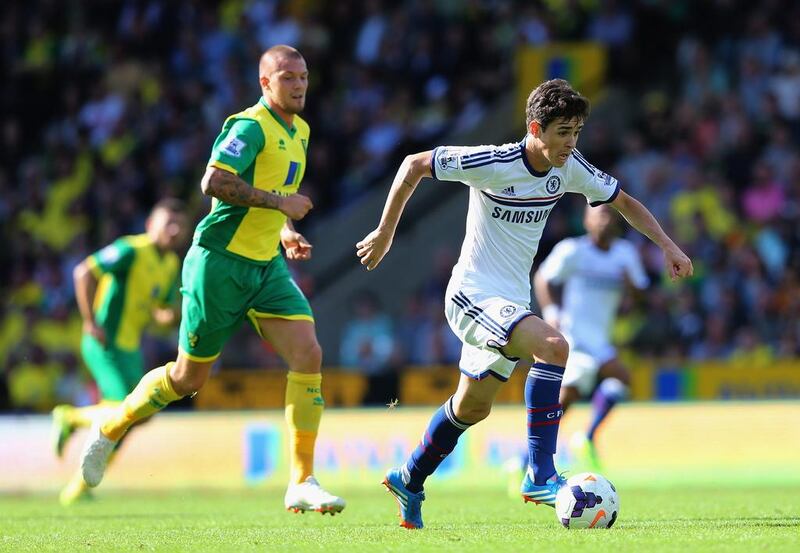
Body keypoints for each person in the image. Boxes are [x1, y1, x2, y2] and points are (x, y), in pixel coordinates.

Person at [356, 79, 692, 529]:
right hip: (472, 295)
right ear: (536, 128)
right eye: (562, 132)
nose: (571, 143)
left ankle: (409, 476)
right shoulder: (493, 162)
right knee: (554, 346)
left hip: (510, 301)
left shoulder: (568, 167)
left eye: (576, 132)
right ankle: (540, 473)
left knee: (472, 407)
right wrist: (385, 232)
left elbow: (625, 202)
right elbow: (414, 163)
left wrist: (668, 245)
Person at [79, 45, 345, 515]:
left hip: (265, 266)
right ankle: (113, 427)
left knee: (308, 352)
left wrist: (284, 231)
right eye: (288, 77)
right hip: (218, 264)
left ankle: (302, 480)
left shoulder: (299, 130)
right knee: (187, 377)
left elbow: (274, 192)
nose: (300, 85)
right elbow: (214, 181)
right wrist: (281, 205)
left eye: (304, 76)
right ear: (265, 83)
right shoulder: (248, 126)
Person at [51, 199, 189, 505]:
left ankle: (81, 485)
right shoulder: (130, 250)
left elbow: (160, 309)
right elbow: (83, 272)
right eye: (168, 223)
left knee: (138, 417)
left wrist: (168, 316)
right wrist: (89, 322)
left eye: (179, 225)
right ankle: (71, 418)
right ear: (150, 224)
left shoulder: (169, 265)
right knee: (121, 411)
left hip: (130, 348)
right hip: (106, 341)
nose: (174, 230)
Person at [534, 204, 649, 470]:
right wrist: (552, 312)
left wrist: (631, 288)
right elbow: (543, 278)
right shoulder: (573, 250)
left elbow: (642, 296)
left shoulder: (625, 254)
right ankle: (535, 452)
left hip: (601, 339)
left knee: (617, 381)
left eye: (609, 214)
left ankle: (580, 439)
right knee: (568, 397)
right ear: (586, 221)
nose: (604, 220)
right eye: (598, 215)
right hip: (575, 338)